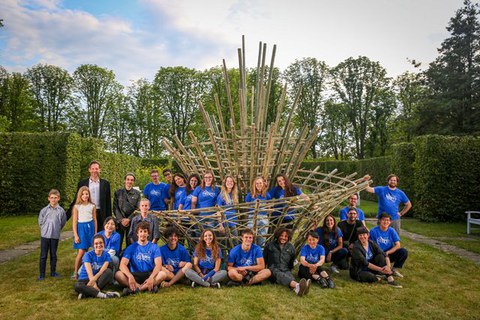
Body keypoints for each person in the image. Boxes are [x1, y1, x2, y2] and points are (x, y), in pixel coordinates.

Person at [115, 221, 163, 295]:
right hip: (135, 275)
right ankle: (147, 287)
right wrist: (130, 276)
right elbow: (122, 265)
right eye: (141, 231)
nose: (143, 234)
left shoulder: (154, 247)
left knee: (162, 274)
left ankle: (136, 289)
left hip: (148, 274)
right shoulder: (131, 247)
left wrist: (151, 277)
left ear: (148, 233)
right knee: (118, 274)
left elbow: (158, 265)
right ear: (137, 233)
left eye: (145, 231)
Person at [263, 227, 310, 296]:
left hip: (285, 269)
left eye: (286, 236)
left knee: (290, 277)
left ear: (288, 237)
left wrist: (288, 270)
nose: (283, 238)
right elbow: (264, 259)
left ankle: (298, 290)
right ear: (277, 235)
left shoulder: (291, 247)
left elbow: (291, 262)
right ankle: (298, 285)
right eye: (281, 235)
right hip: (273, 270)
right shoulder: (269, 245)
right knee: (280, 275)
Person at [67, 160, 111, 232]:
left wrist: (109, 219)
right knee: (88, 234)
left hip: (101, 213)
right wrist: (66, 217)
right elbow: (76, 199)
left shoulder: (105, 184)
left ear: (100, 170)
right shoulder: (82, 183)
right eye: (92, 169)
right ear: (89, 170)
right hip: (87, 212)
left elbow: (108, 202)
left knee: (100, 236)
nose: (94, 171)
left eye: (96, 169)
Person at [74, 234, 120, 299]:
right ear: (93, 245)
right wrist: (94, 284)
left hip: (97, 279)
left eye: (101, 243)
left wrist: (94, 281)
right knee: (77, 286)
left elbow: (102, 271)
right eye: (96, 243)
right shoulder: (88, 255)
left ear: (104, 244)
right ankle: (104, 295)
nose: (99, 245)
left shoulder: (107, 255)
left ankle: (86, 293)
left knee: (108, 271)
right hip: (85, 279)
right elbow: (89, 272)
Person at [38, 189, 66, 280]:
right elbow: (40, 222)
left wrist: (57, 229)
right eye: (52, 198)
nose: (53, 200)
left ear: (58, 199)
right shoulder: (44, 210)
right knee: (43, 255)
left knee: (53, 255)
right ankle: (42, 274)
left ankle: (53, 272)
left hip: (55, 236)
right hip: (45, 236)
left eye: (55, 198)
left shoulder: (61, 211)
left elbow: (62, 222)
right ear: (48, 199)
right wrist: (44, 229)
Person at [369, 213, 408, 278]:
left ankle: (394, 269)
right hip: (378, 254)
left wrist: (388, 252)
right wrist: (382, 253)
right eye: (383, 220)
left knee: (403, 251)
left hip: (388, 253)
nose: (386, 222)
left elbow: (398, 245)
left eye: (387, 220)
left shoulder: (392, 231)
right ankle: (382, 271)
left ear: (390, 222)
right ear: (380, 221)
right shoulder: (373, 231)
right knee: (380, 257)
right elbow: (371, 245)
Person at [72, 186, 97, 280]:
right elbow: (74, 222)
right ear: (80, 195)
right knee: (81, 251)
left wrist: (95, 233)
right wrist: (76, 235)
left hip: (90, 228)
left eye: (87, 194)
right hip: (81, 229)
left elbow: (95, 220)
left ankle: (84, 270)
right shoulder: (77, 207)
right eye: (83, 194)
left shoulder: (92, 206)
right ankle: (75, 272)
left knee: (87, 250)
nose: (85, 196)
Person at [113, 173, 141, 250]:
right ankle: (117, 258)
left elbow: (138, 209)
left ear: (134, 182)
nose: (129, 181)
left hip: (131, 221)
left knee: (130, 242)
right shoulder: (118, 192)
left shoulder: (137, 194)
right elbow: (115, 207)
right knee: (118, 241)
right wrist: (121, 219)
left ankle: (129, 259)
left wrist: (129, 219)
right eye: (128, 179)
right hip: (120, 221)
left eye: (131, 180)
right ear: (124, 181)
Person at [245, 176, 272, 247]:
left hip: (263, 217)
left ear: (263, 184)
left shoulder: (267, 194)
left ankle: (260, 254)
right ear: (254, 185)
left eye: (260, 183)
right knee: (250, 236)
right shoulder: (250, 195)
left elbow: (269, 207)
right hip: (252, 217)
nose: (259, 185)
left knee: (262, 238)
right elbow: (246, 207)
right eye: (257, 183)